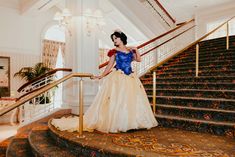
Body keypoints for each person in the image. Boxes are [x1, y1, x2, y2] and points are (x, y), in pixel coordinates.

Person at [51, 30, 158, 133]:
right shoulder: (114, 52)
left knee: (130, 101)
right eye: (113, 39)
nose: (114, 41)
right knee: (118, 100)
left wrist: (136, 49)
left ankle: (132, 122)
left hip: (130, 77)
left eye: (116, 38)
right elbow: (109, 66)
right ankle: (118, 123)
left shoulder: (130, 51)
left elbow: (138, 59)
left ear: (121, 38)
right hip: (118, 77)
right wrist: (101, 76)